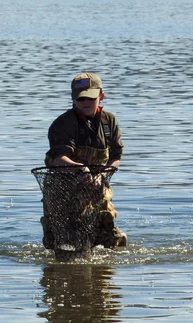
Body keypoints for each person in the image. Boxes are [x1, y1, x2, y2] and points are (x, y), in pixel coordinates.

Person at [42, 72, 127, 251]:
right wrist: (80, 169)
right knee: (67, 244)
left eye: (90, 97)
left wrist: (103, 174)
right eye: (80, 99)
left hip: (97, 188)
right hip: (63, 191)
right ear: (73, 99)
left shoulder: (108, 121)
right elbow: (58, 158)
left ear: (101, 96)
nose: (85, 102)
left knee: (113, 239)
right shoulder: (63, 124)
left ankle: (102, 276)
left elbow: (116, 157)